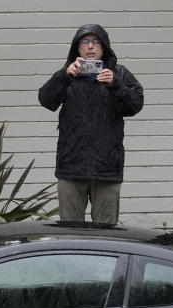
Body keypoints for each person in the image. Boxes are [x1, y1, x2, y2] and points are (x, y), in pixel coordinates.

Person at [38, 24, 144, 225]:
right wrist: (64, 76)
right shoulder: (67, 75)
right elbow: (46, 100)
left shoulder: (119, 74)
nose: (90, 47)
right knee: (70, 233)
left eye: (95, 42)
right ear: (77, 48)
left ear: (104, 47)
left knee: (106, 235)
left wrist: (115, 84)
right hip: (71, 167)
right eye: (85, 42)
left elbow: (135, 105)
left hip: (106, 168)